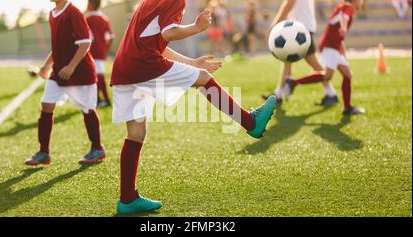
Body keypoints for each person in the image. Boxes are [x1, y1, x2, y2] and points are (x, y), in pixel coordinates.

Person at [110, 0, 277, 214]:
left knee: (136, 132)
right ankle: (250, 122)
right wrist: (197, 28)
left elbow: (156, 41)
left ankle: (127, 199)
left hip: (124, 66)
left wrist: (191, 62)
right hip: (143, 63)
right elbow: (169, 33)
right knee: (204, 79)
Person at [25, 0, 106, 166]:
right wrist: (47, 65)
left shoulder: (74, 12)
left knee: (87, 109)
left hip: (81, 72)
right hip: (59, 72)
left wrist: (71, 67)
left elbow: (85, 43)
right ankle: (43, 152)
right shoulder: (52, 13)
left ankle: (97, 149)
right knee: (46, 105)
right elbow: (57, 47)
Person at [284, 0, 365, 115]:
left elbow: (336, 27)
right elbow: (344, 18)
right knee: (327, 76)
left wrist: (343, 52)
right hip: (331, 46)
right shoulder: (349, 8)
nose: (362, 2)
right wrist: (343, 27)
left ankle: (347, 107)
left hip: (333, 46)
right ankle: (293, 82)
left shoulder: (342, 7)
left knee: (346, 74)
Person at [265, 0, 336, 107]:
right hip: (299, 26)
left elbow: (289, 3)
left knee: (313, 62)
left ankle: (331, 93)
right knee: (287, 61)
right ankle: (278, 95)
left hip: (300, 28)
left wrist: (274, 24)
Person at [86, 0, 115, 108]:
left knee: (97, 75)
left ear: (91, 4)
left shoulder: (87, 19)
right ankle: (98, 99)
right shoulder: (104, 18)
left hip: (91, 51)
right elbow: (111, 37)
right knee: (96, 75)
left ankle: (105, 100)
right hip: (101, 51)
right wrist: (105, 48)